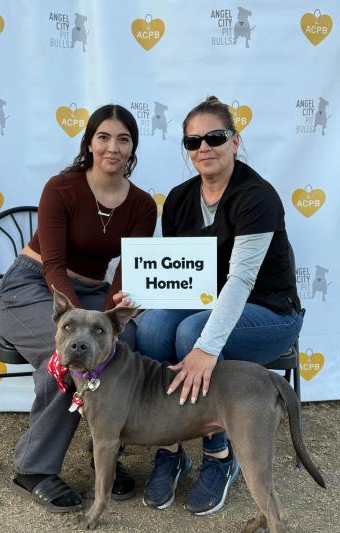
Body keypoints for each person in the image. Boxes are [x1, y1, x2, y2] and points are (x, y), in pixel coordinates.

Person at [135, 96, 303, 516]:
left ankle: (219, 454)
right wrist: (140, 295)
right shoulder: (177, 199)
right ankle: (169, 446)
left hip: (270, 313)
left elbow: (242, 281)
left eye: (215, 137)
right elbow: (179, 276)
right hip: (206, 305)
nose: (203, 148)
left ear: (235, 141)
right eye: (193, 141)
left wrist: (206, 347)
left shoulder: (257, 196)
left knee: (193, 333)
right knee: (153, 327)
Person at [0, 104, 157, 512]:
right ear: (89, 142)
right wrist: (80, 324)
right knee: (67, 354)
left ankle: (105, 444)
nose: (113, 147)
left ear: (133, 147)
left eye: (123, 139)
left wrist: (104, 321)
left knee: (125, 340)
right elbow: (52, 265)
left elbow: (126, 273)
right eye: (104, 137)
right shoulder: (61, 187)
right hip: (32, 285)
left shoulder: (142, 205)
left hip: (93, 295)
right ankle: (33, 468)